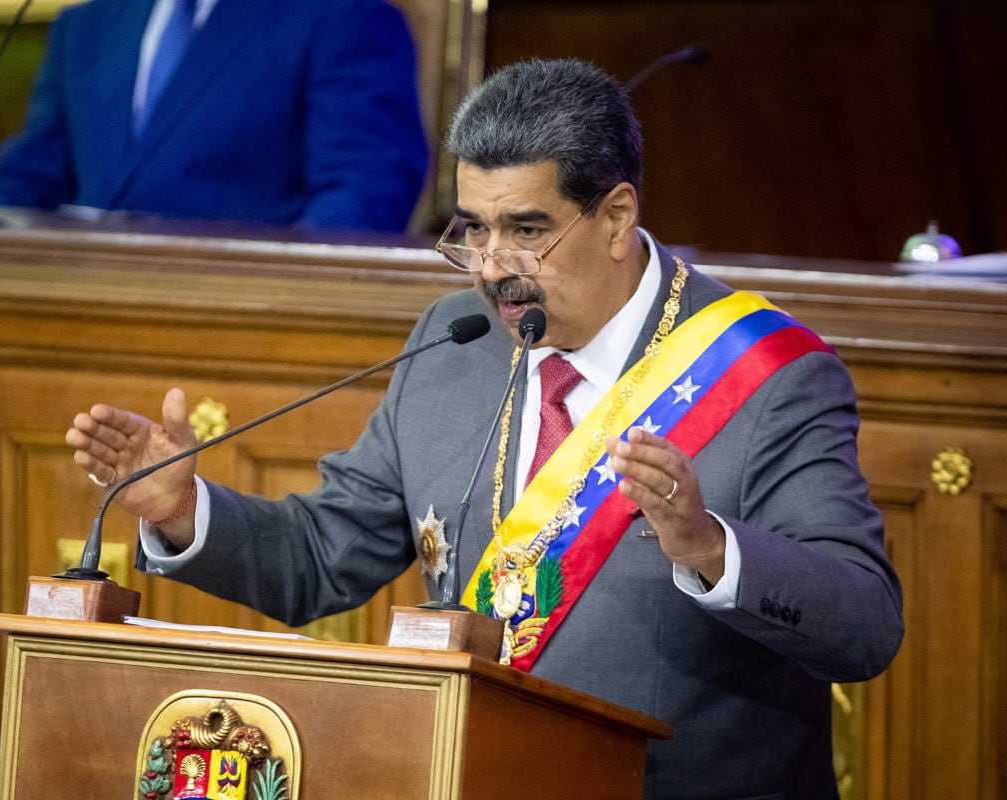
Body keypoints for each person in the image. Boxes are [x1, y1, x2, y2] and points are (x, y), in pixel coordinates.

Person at [67, 59, 904, 798]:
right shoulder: (451, 341)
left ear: (615, 217)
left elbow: (865, 626)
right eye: (472, 229)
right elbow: (325, 554)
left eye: (527, 230)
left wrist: (710, 549)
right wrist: (183, 509)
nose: (492, 266)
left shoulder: (768, 377)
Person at [0, 0, 429, 232]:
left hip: (237, 328)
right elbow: (25, 177)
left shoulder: (342, 16)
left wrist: (275, 293)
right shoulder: (86, 24)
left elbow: (364, 189)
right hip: (74, 312)